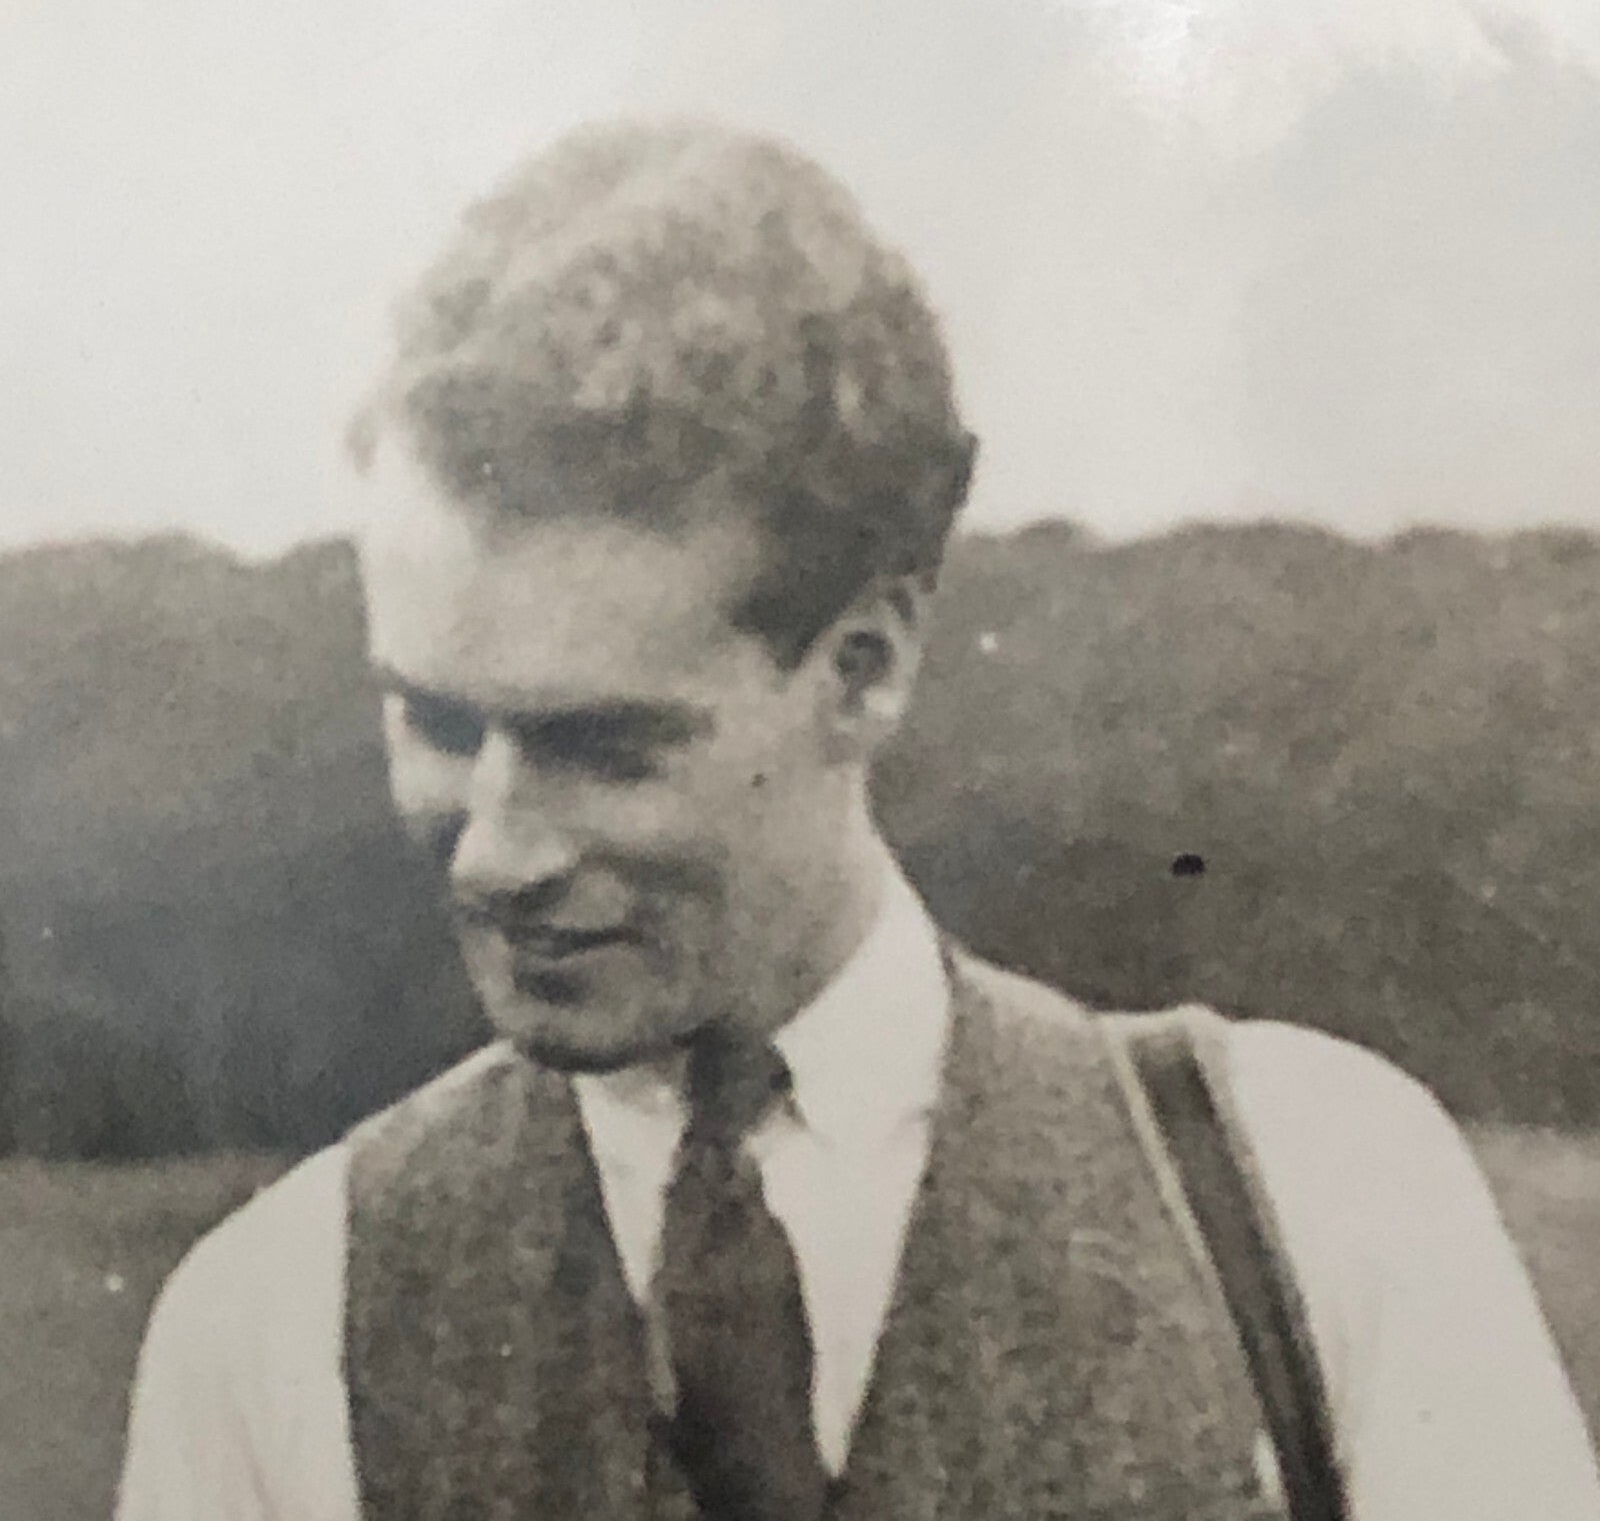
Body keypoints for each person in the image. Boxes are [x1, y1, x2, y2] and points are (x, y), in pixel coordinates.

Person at [117, 120, 1598, 1521]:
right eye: (437, 722)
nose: (497, 848)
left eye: (605, 745)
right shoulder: (275, 1326)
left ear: (868, 665)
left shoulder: (1311, 1210)